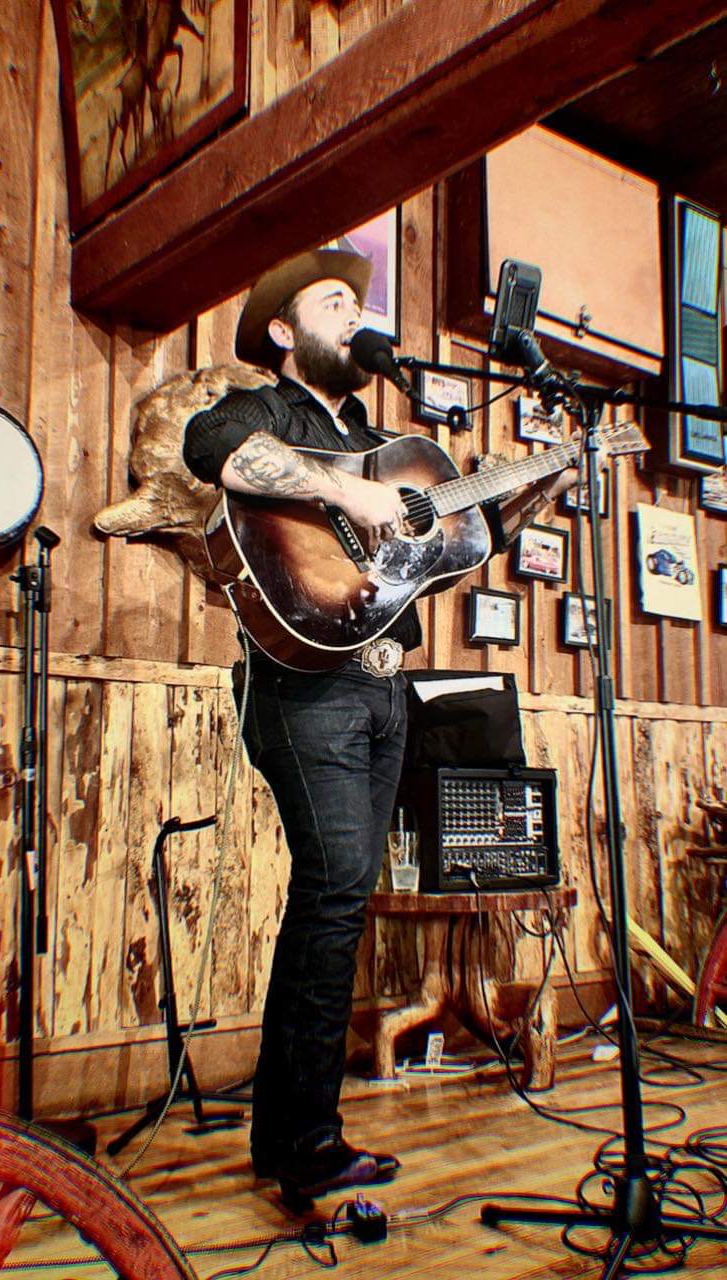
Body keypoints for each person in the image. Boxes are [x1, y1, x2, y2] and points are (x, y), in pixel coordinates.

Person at [184, 248, 573, 1205]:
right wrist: (349, 493)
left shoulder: (387, 445)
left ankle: (287, 1136)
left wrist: (536, 486)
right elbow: (213, 447)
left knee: (339, 896)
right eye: (332, 302)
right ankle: (307, 1142)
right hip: (303, 687)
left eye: (357, 302)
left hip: (385, 690)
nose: (353, 315)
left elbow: (454, 546)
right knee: (335, 890)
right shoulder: (265, 411)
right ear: (284, 331)